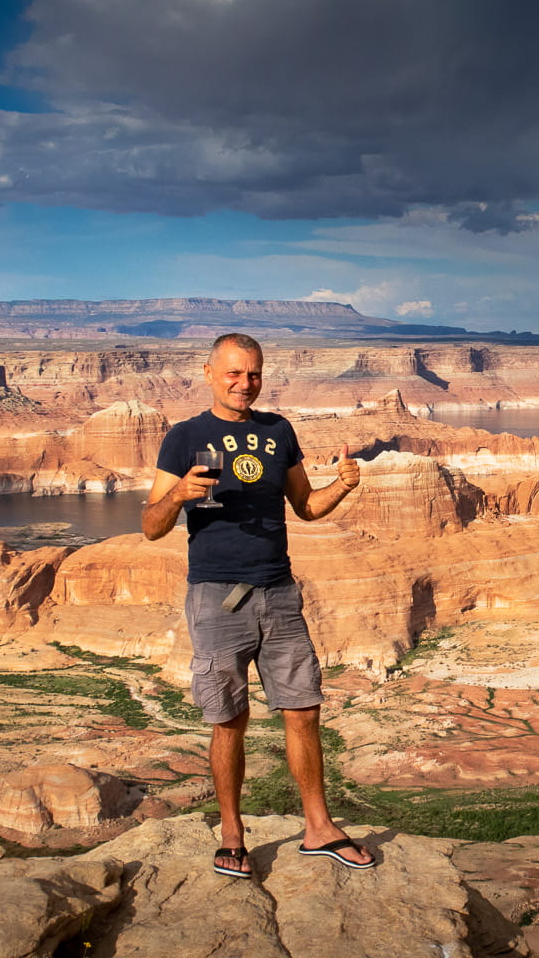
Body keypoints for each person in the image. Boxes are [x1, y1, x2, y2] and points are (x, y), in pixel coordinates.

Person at [143, 332, 375, 876]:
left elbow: (306, 507)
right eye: (233, 373)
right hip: (217, 598)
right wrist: (178, 496)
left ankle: (318, 827)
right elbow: (151, 526)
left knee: (304, 711)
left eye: (253, 374)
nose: (244, 384)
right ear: (208, 373)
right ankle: (231, 833)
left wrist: (342, 486)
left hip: (278, 592)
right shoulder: (184, 438)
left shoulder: (278, 432)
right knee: (229, 719)